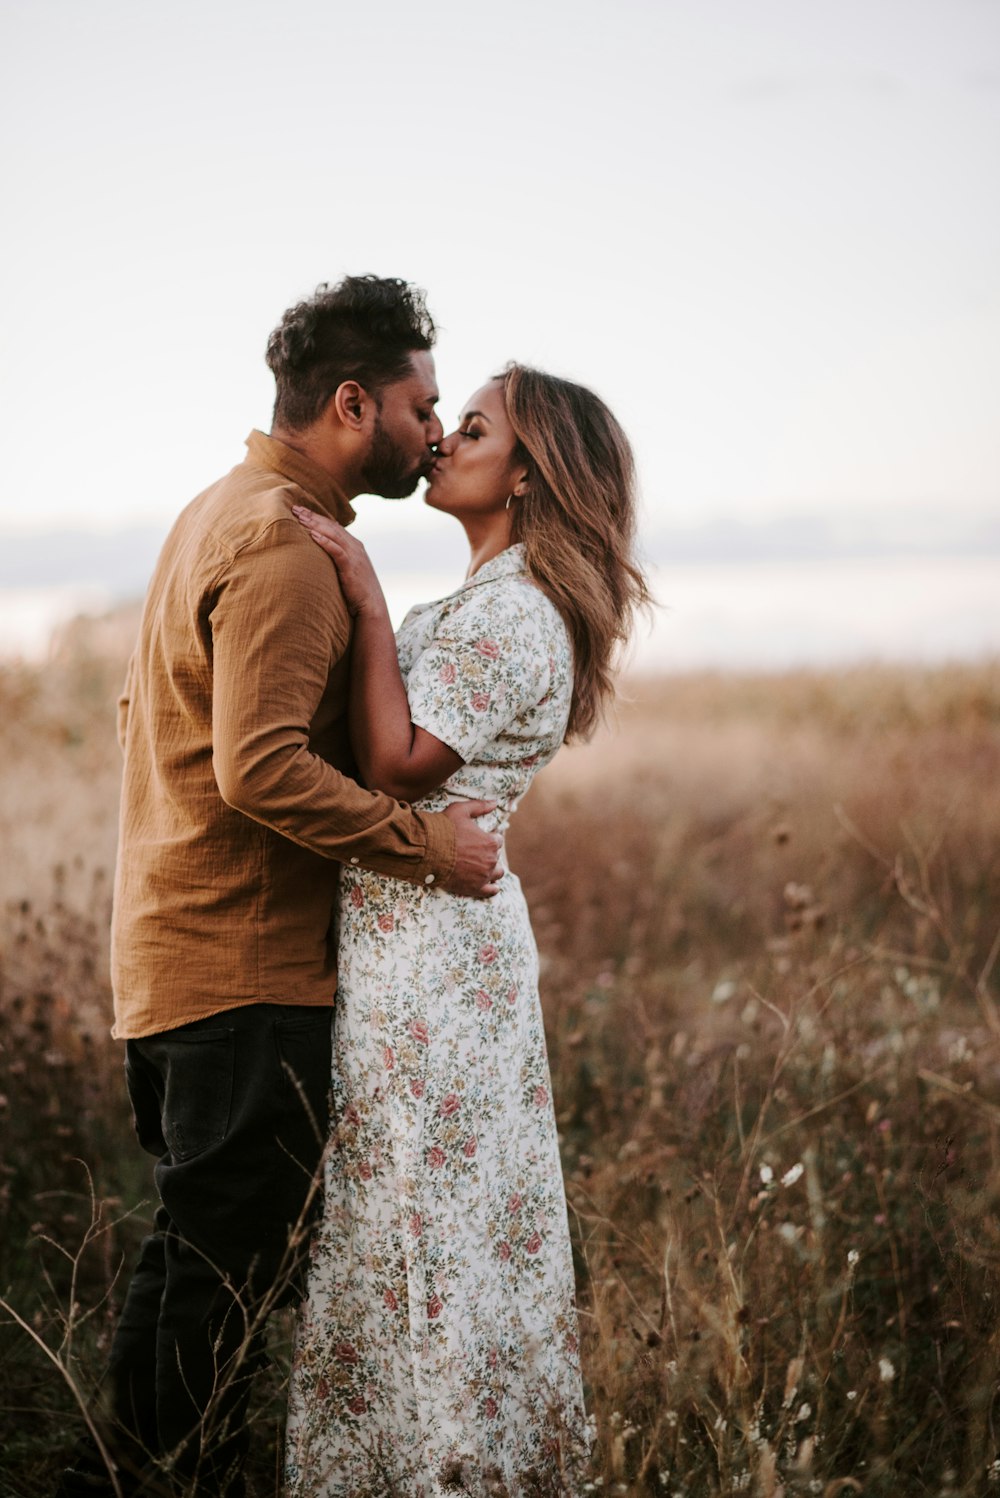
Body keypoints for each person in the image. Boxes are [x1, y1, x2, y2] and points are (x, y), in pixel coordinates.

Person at [56, 277, 504, 1498]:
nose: (433, 430)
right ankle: (168, 1475)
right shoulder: (282, 547)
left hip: (177, 959)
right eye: (420, 406)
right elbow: (259, 771)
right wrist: (429, 847)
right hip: (244, 973)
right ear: (353, 402)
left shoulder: (220, 510)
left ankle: (129, 1468)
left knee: (195, 1247)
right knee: (227, 1266)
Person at [283, 364, 650, 1495]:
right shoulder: (494, 599)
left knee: (442, 1230)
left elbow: (397, 767)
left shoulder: (518, 613)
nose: (441, 437)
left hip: (441, 957)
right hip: (417, 942)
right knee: (408, 1221)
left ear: (528, 472)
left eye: (473, 426)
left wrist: (362, 592)